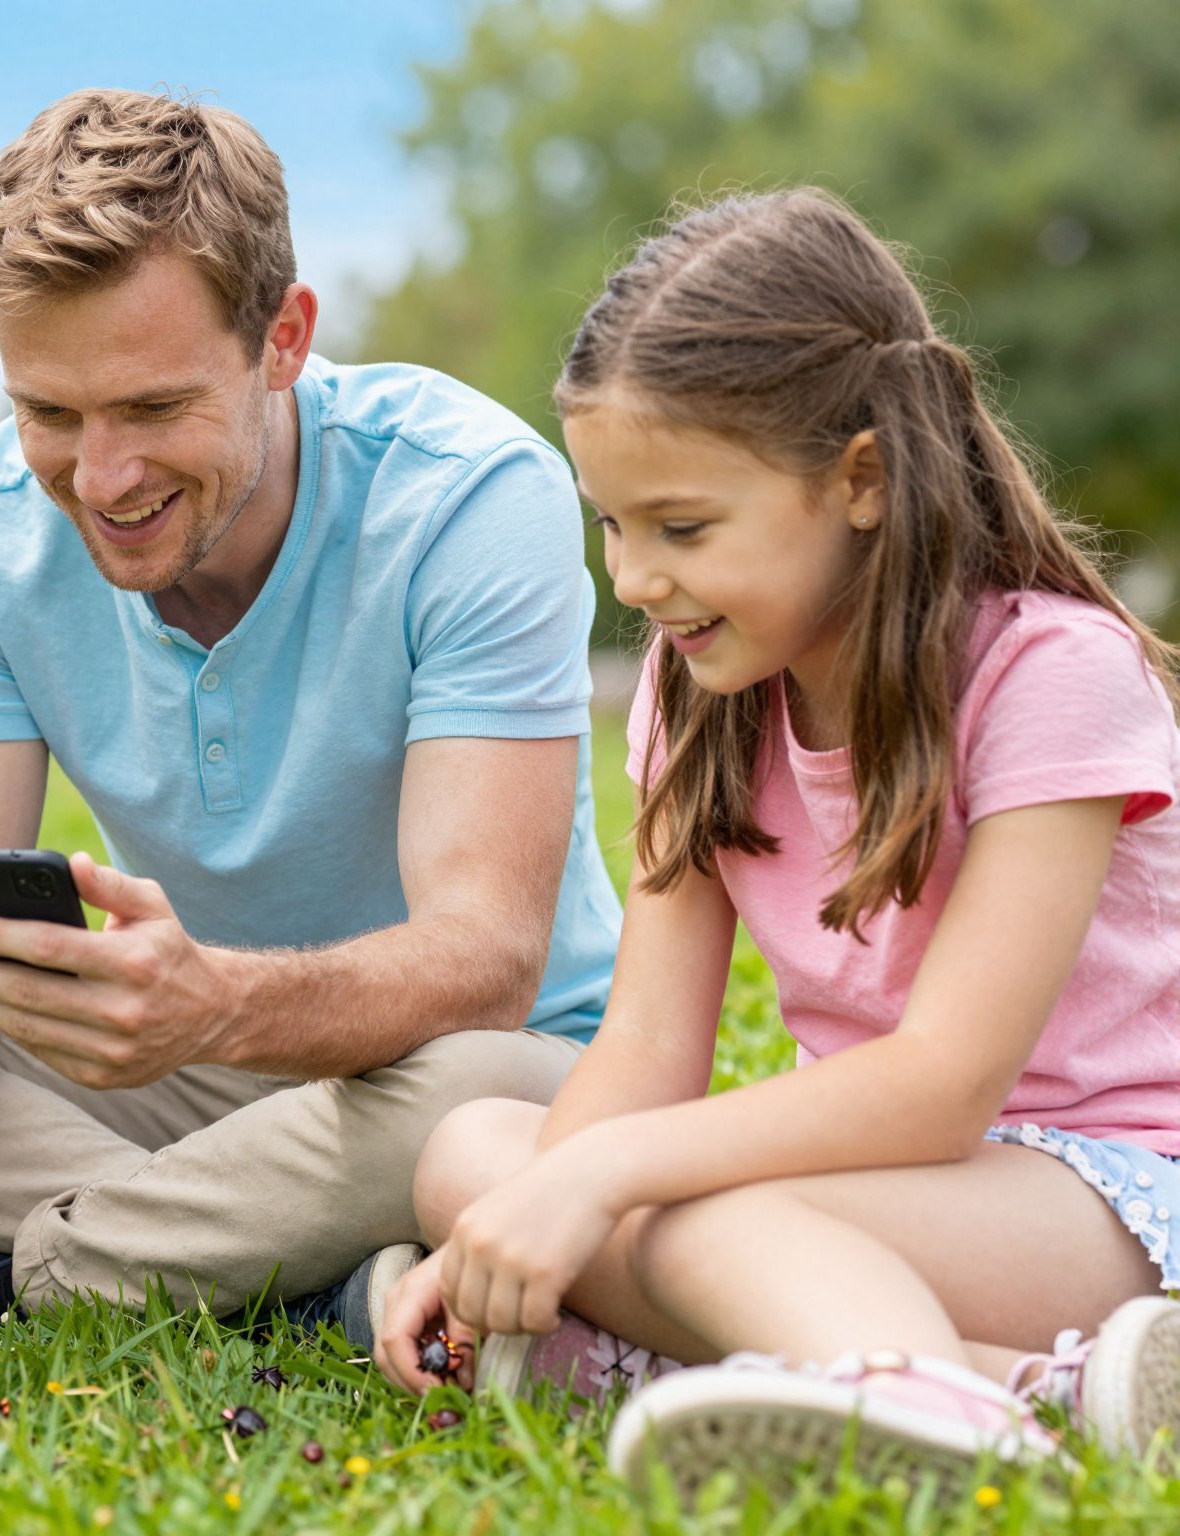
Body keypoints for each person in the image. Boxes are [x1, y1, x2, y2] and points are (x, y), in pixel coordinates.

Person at [0, 90, 624, 1345]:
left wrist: (218, 1004)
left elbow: (485, 957)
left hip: (445, 1064)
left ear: (284, 340)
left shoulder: (469, 498)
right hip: (172, 1084)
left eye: (151, 409)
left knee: (480, 1109)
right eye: (49, 413)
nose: (100, 479)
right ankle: (303, 1289)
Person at [378, 188, 1180, 1497]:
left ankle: (924, 1412)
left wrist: (599, 1189)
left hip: (1097, 1195)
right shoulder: (700, 696)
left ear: (859, 479)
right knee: (474, 1156)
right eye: (612, 524)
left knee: (687, 1215)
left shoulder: (1050, 675)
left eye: (682, 528)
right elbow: (642, 1051)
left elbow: (943, 1086)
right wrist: (524, 1218)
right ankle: (1050, 1393)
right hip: (871, 1190)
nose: (634, 579)